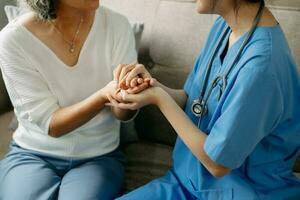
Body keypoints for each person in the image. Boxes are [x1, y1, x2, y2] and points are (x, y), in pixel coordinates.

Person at [111, 0, 300, 199]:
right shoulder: (225, 27)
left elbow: (218, 164)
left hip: (242, 193)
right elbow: (194, 102)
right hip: (186, 183)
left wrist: (159, 99)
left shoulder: (261, 67)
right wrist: (153, 86)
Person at [0, 0, 148, 199]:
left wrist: (127, 94)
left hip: (98, 156)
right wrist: (104, 94)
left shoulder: (117, 25)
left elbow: (122, 114)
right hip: (32, 154)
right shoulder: (13, 39)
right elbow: (52, 125)